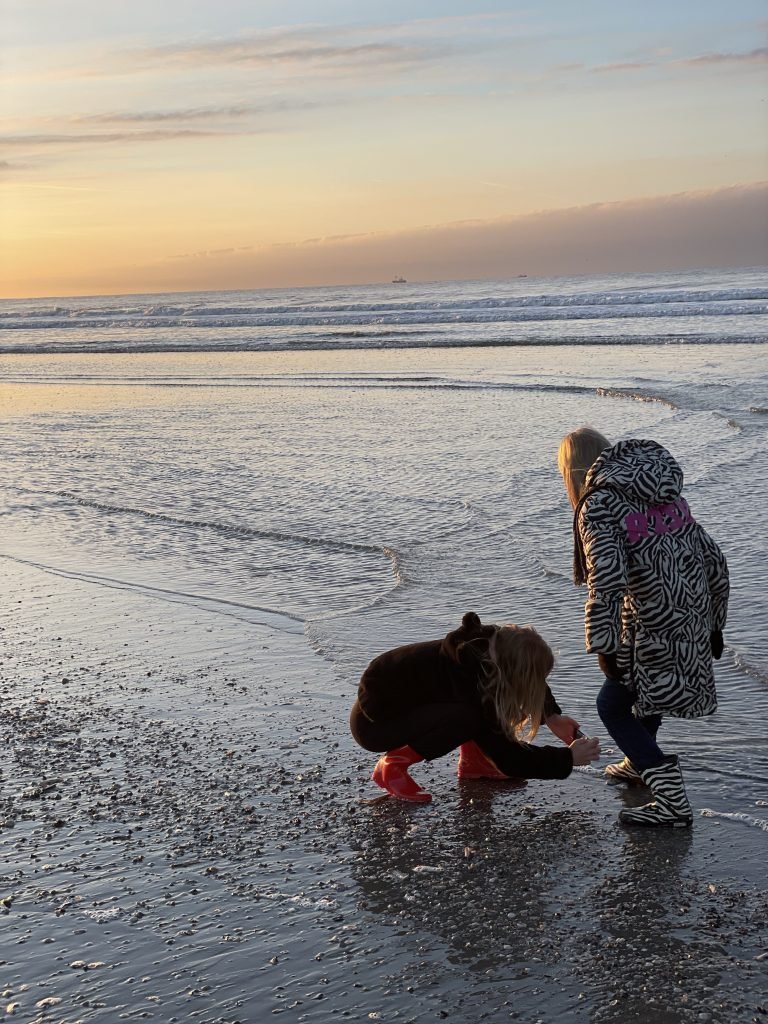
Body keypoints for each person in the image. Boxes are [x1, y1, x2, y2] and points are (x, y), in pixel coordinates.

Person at [557, 427, 729, 827]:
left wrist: (604, 643)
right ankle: (638, 762)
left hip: (649, 624)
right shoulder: (662, 491)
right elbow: (712, 555)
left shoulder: (598, 504)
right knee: (647, 695)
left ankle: (671, 801)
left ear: (572, 471)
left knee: (612, 705)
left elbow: (607, 576)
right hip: (691, 610)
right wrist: (714, 620)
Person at [349, 611, 600, 803]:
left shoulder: (489, 644)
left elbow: (525, 673)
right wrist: (568, 758)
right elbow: (510, 758)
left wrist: (551, 715)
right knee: (473, 717)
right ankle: (393, 766)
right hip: (376, 726)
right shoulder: (470, 681)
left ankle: (475, 763)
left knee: (482, 712)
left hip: (395, 706)